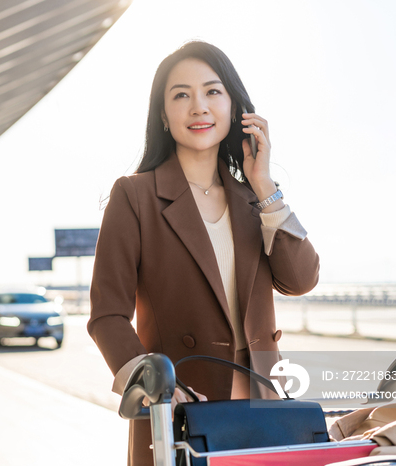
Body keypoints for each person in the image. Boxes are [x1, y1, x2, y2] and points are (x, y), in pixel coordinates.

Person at [87, 41, 320, 465]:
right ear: (163, 114)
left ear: (234, 107)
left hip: (264, 414)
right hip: (179, 415)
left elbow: (301, 279)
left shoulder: (255, 201)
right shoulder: (135, 196)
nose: (199, 107)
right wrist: (153, 384)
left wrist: (265, 186)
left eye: (213, 92)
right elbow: (107, 315)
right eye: (181, 95)